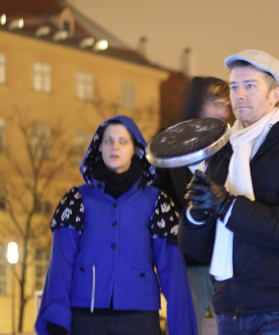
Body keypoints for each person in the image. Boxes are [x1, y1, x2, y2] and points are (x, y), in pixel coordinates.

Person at [179, 49, 279, 335]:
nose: (239, 95)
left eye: (250, 86)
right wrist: (198, 215)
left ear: (275, 95)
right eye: (234, 87)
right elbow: (197, 250)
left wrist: (227, 206)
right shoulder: (220, 155)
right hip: (231, 307)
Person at [35, 115, 197, 335]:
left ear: (136, 150)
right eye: (108, 141)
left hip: (140, 320)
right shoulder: (75, 201)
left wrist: (182, 329)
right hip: (86, 319)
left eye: (123, 141)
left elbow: (173, 273)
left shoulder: (158, 203)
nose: (115, 146)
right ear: (98, 148)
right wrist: (56, 320)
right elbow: (60, 265)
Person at [153, 76, 230, 335]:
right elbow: (157, 201)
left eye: (225, 105)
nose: (222, 111)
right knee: (187, 327)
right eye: (216, 103)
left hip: (225, 258)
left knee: (232, 327)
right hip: (187, 261)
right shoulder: (166, 146)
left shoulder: (231, 146)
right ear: (198, 104)